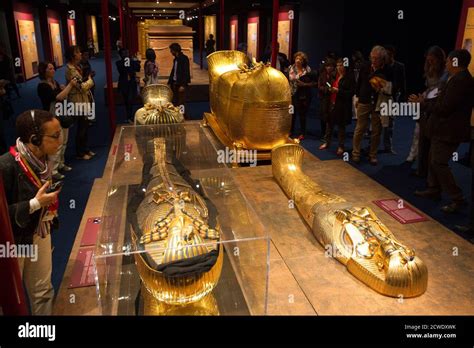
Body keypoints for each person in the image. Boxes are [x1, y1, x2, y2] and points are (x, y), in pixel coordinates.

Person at [0, 109, 62, 315]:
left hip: (39, 231)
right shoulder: (6, 166)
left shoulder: (44, 162)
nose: (60, 140)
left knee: (42, 291)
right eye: (55, 136)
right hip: (14, 244)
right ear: (34, 139)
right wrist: (35, 204)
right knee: (11, 297)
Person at [415, 49, 474, 214]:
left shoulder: (460, 81)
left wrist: (424, 103)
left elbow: (445, 108)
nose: (446, 63)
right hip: (441, 128)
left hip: (449, 130)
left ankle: (457, 198)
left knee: (438, 162)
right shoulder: (455, 78)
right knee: (433, 158)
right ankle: (434, 189)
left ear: (455, 62)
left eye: (448, 60)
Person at [407, 46, 447, 177]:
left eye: (433, 60)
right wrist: (422, 97)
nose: (430, 63)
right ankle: (418, 165)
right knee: (419, 135)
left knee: (430, 141)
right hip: (425, 106)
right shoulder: (429, 69)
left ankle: (428, 172)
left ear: (440, 59)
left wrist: (423, 99)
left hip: (433, 108)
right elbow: (429, 89)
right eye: (428, 60)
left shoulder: (445, 73)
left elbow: (438, 93)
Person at [352, 45, 393, 165]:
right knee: (360, 128)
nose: (374, 60)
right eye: (372, 58)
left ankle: (373, 154)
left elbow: (391, 86)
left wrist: (383, 86)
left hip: (378, 103)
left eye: (377, 58)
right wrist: (357, 97)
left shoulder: (387, 69)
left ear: (383, 59)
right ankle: (356, 153)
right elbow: (359, 82)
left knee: (376, 130)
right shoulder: (365, 66)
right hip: (364, 100)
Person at [37, 61, 77, 180]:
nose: (53, 70)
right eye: (50, 68)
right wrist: (70, 85)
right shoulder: (43, 86)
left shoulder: (55, 82)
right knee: (56, 144)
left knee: (64, 141)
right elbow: (58, 97)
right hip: (51, 117)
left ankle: (60, 163)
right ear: (44, 71)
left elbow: (62, 96)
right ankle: (53, 170)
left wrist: (64, 89)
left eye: (53, 68)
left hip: (61, 114)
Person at [319, 58, 355, 155]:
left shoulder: (349, 77)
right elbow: (327, 84)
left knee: (341, 127)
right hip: (331, 103)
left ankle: (341, 146)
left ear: (346, 66)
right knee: (329, 124)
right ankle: (327, 142)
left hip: (342, 105)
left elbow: (351, 93)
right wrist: (329, 89)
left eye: (341, 65)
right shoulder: (334, 75)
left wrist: (338, 91)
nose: (339, 67)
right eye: (338, 65)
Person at [65, 45, 95, 160]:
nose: (80, 54)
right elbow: (81, 87)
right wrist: (90, 81)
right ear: (72, 55)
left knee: (85, 126)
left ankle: (85, 149)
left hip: (83, 99)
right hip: (78, 101)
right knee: (82, 127)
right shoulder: (70, 70)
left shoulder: (76, 67)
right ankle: (80, 152)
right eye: (77, 52)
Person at [383, 45, 406, 154]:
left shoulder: (400, 66)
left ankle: (388, 146)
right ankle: (371, 147)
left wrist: (401, 95)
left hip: (394, 97)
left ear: (392, 54)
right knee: (377, 123)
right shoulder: (382, 66)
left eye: (388, 54)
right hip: (382, 97)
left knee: (391, 123)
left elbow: (402, 82)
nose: (386, 56)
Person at [288, 51, 316, 139]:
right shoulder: (291, 68)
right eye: (297, 58)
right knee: (291, 113)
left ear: (303, 61)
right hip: (292, 93)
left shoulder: (307, 69)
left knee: (302, 114)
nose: (298, 60)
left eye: (300, 59)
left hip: (303, 95)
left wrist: (304, 84)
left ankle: (302, 133)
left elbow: (313, 83)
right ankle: (290, 131)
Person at [116, 48, 140, 123]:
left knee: (129, 100)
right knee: (127, 100)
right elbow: (125, 70)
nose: (127, 55)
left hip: (130, 83)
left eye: (127, 53)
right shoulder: (119, 63)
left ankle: (129, 116)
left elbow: (137, 69)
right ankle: (129, 116)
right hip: (125, 83)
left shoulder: (131, 62)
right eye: (125, 53)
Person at [167, 43, 190, 118]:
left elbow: (186, 72)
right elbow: (173, 71)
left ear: (175, 50)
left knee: (181, 102)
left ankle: (182, 115)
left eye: (171, 50)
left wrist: (183, 85)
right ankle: (176, 116)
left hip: (181, 84)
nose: (171, 52)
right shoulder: (175, 59)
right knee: (175, 101)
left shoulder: (184, 58)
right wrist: (170, 82)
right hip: (175, 83)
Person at [318, 59, 336, 141]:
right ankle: (323, 134)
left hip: (332, 98)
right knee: (323, 116)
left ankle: (329, 134)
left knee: (331, 117)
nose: (329, 68)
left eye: (331, 66)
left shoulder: (335, 75)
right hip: (324, 98)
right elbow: (319, 86)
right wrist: (326, 89)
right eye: (327, 66)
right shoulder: (322, 75)